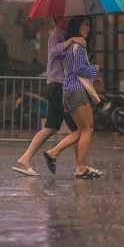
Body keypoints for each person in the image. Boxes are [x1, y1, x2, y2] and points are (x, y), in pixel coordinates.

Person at [12, 17, 81, 176]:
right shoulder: (57, 35)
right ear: (61, 19)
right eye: (68, 17)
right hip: (59, 86)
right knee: (79, 129)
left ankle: (25, 158)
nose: (70, 19)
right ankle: (80, 166)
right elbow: (55, 50)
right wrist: (71, 41)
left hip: (55, 86)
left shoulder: (64, 35)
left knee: (51, 127)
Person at [44, 15, 102, 179]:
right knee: (88, 129)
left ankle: (55, 153)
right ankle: (79, 167)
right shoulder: (77, 46)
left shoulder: (72, 45)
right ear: (77, 26)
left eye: (89, 25)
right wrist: (93, 69)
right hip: (77, 90)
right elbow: (78, 69)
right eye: (85, 24)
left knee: (81, 130)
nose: (88, 28)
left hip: (69, 90)